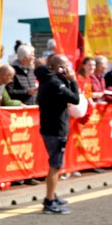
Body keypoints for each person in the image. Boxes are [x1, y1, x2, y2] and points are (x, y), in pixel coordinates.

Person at [34, 54, 79, 215]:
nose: (68, 69)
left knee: (55, 165)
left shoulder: (49, 79)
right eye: (65, 66)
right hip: (55, 129)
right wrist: (73, 80)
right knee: (55, 166)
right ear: (57, 67)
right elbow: (75, 99)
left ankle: (52, 194)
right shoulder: (54, 83)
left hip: (50, 127)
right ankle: (49, 201)